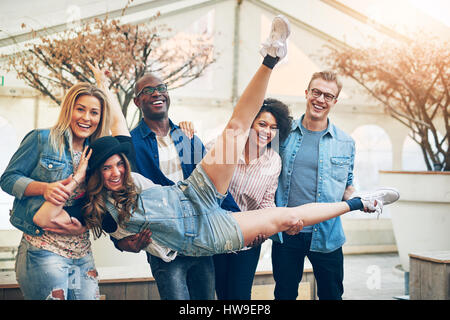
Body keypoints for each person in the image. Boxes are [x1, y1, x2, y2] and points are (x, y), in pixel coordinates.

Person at [31, 16, 399, 266]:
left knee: (235, 131)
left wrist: (106, 88)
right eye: (105, 168)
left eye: (118, 165)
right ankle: (361, 203)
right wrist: (78, 178)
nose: (115, 171)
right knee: (287, 217)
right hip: (205, 234)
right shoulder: (96, 209)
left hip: (196, 193)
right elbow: (44, 216)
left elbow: (115, 120)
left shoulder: (126, 163)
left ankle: (271, 57)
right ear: (94, 172)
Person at [118, 70, 240, 300]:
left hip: (200, 236)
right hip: (165, 245)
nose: (157, 93)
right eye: (148, 90)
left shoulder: (186, 137)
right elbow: (122, 194)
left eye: (161, 88)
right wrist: (121, 241)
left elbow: (211, 181)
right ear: (137, 101)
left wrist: (236, 216)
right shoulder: (132, 145)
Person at [0, 81, 112, 300]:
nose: (86, 118)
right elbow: (8, 179)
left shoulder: (98, 152)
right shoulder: (41, 139)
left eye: (94, 112)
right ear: (68, 109)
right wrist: (44, 188)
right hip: (43, 250)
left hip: (82, 253)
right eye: (80, 109)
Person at [271, 70, 376, 300]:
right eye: (316, 92)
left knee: (332, 295)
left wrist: (360, 200)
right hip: (287, 234)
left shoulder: (346, 142)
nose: (320, 100)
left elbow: (347, 186)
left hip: (327, 235)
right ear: (307, 93)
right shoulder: (283, 134)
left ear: (335, 101)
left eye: (328, 96)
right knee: (284, 294)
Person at [179, 98, 293, 300]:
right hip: (215, 237)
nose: (267, 131)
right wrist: (185, 134)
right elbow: (195, 178)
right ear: (250, 123)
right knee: (219, 294)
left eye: (273, 127)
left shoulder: (274, 161)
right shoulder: (221, 146)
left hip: (248, 241)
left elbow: (267, 203)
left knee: (240, 296)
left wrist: (264, 231)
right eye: (262, 124)